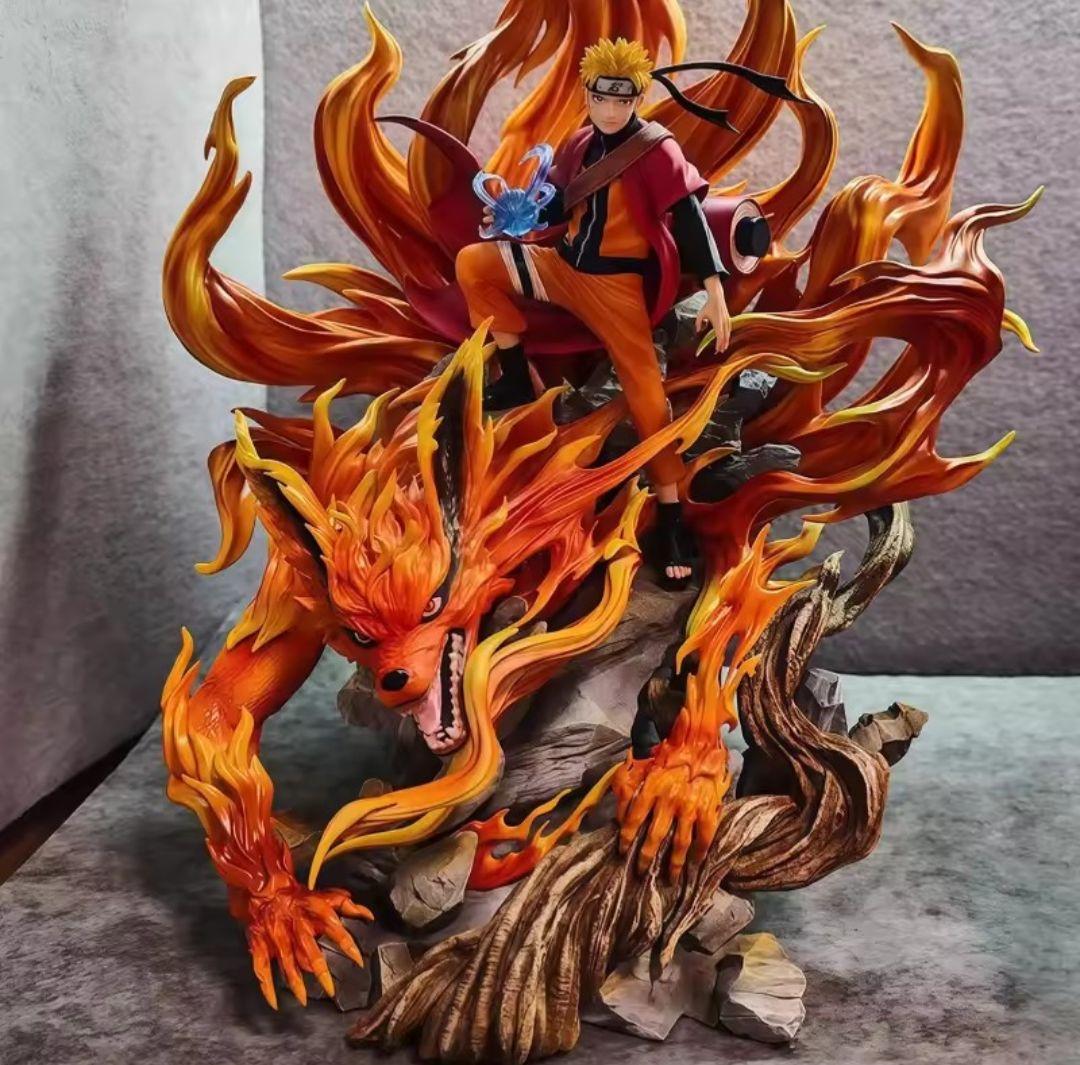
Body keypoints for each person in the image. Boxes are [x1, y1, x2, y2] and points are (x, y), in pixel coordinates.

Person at [455, 38, 737, 588]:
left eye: (622, 100)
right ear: (587, 95)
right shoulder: (580, 142)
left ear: (637, 99)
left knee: (647, 394)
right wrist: (514, 214)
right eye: (602, 99)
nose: (610, 110)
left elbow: (689, 217)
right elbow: (555, 204)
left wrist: (715, 288)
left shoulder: (657, 150)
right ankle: (515, 378)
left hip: (616, 287)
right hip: (561, 268)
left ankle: (671, 514)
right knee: (474, 263)